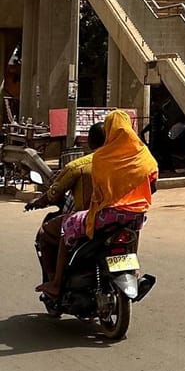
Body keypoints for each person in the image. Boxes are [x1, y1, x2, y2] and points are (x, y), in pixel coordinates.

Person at [37, 110, 158, 298]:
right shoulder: (144, 155)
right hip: (137, 214)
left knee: (67, 226)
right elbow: (154, 186)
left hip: (107, 214)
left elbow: (100, 192)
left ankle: (56, 282)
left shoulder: (102, 158)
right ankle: (134, 271)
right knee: (133, 231)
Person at [27, 123, 106, 288]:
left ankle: (55, 282)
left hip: (88, 219)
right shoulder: (126, 162)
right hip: (120, 217)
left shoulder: (79, 166)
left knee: (45, 232)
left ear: (89, 142)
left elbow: (54, 193)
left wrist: (39, 202)